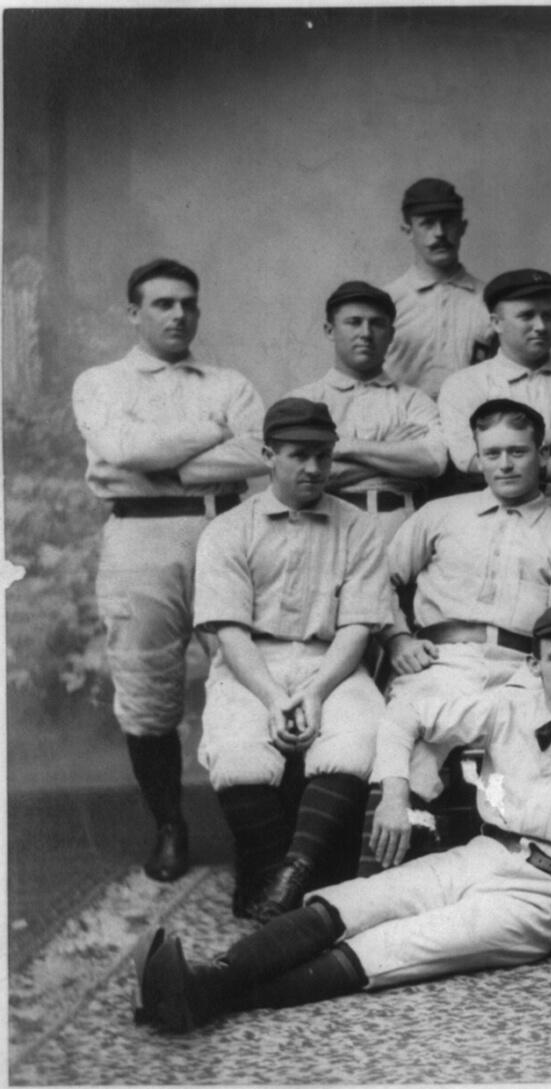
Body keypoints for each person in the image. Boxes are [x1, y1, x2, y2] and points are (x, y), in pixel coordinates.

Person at [131, 604, 551, 1034]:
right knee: (356, 900)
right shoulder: (506, 706)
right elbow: (406, 713)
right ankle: (209, 980)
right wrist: (394, 790)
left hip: (545, 896)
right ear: (534, 664)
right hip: (483, 853)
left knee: (402, 944)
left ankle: (201, 997)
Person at [71, 258, 267, 882]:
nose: (179, 314)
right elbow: (123, 453)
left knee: (250, 674)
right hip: (139, 538)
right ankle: (169, 826)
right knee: (147, 687)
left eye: (188, 303)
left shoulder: (228, 382)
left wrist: (165, 457)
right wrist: (210, 436)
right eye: (162, 303)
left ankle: (260, 834)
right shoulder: (101, 383)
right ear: (134, 312)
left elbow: (260, 450)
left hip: (225, 532)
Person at [360, 398, 551, 873]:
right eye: (492, 453)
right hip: (442, 660)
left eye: (517, 451)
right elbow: (377, 581)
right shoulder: (440, 515)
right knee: (409, 746)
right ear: (477, 457)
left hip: (523, 672)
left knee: (509, 744)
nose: (505, 464)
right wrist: (398, 640)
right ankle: (381, 885)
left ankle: (459, 885)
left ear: (541, 454)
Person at [192, 399, 388, 921]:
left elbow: (358, 626)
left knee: (358, 740)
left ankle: (294, 872)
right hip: (251, 665)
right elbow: (229, 632)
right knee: (237, 753)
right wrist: (275, 698)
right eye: (299, 455)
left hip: (334, 663)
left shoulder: (359, 527)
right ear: (267, 455)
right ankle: (272, 875)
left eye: (323, 455)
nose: (314, 468)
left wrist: (318, 691)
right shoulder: (228, 530)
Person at [437, 270, 551, 538]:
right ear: (497, 323)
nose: (541, 326)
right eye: (526, 316)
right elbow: (469, 459)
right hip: (492, 523)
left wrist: (509, 454)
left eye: (547, 315)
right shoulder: (464, 384)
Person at [287, 281, 448, 540]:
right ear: (330, 330)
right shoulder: (303, 401)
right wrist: (389, 450)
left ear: (391, 333)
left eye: (377, 323)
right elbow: (293, 478)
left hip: (402, 527)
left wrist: (345, 446)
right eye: (354, 322)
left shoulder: (414, 400)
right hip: (325, 528)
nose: (366, 333)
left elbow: (433, 461)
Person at [383, 177, 496, 398]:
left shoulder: (491, 300)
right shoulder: (386, 302)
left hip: (471, 425)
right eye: (427, 223)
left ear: (462, 228)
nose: (440, 233)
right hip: (402, 428)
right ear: (407, 230)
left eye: (449, 222)